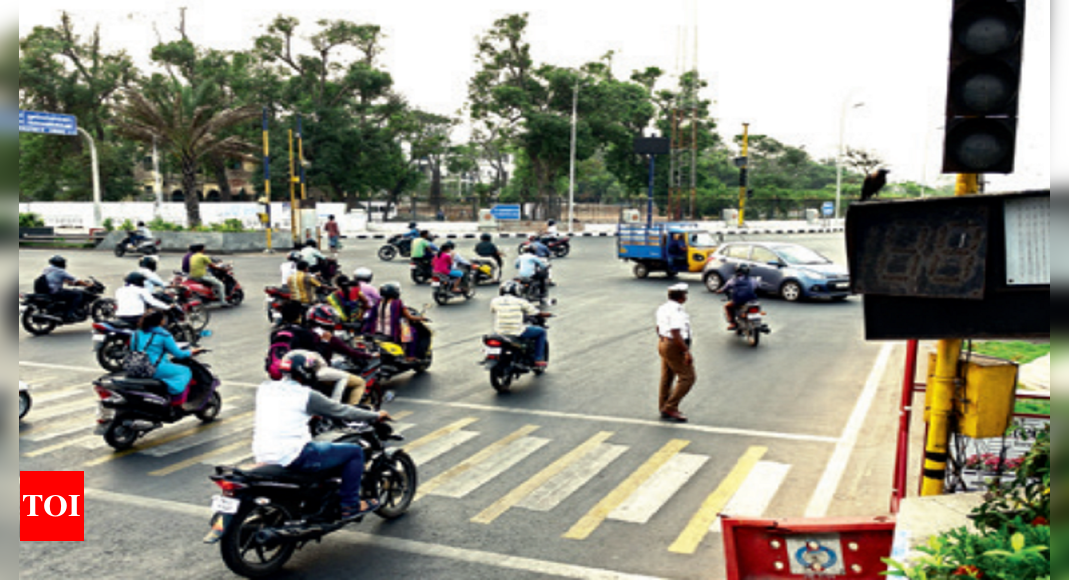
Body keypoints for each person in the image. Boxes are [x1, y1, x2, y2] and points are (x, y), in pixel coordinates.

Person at [252, 353, 390, 521]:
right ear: (307, 373)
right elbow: (343, 411)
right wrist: (375, 416)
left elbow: (282, 410)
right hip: (293, 455)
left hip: (263, 454)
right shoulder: (307, 395)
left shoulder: (264, 388)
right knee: (354, 452)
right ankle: (350, 505)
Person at [131, 310, 203, 404]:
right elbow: (179, 354)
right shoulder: (164, 335)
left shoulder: (136, 334)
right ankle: (175, 399)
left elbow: (133, 349)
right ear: (160, 321)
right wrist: (192, 352)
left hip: (135, 367)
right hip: (154, 368)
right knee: (185, 371)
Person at [656, 283, 694, 423]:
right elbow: (676, 332)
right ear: (681, 297)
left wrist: (663, 340)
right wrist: (685, 351)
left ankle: (663, 406)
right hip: (674, 344)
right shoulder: (676, 311)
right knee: (688, 377)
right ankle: (671, 407)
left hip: (663, 342)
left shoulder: (663, 308)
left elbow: (658, 327)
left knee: (667, 377)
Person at [491, 281, 551, 368]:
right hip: (517, 331)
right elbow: (535, 312)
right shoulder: (521, 301)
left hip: (499, 332)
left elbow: (493, 311)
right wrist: (546, 314)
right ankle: (538, 359)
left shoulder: (495, 301)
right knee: (541, 332)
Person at [370, 282, 428, 360]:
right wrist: (421, 318)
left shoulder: (378, 302)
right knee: (412, 332)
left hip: (377, 330)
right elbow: (409, 317)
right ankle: (410, 356)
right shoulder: (397, 303)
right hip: (391, 331)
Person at [37, 255, 92, 321]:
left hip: (46, 290)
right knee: (78, 294)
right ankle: (70, 313)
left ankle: (64, 310)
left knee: (70, 293)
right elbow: (75, 279)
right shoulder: (60, 271)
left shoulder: (47, 269)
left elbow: (56, 278)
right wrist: (88, 284)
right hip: (55, 291)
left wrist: (71, 283)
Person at [718, 265, 760, 331]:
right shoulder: (753, 280)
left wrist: (719, 291)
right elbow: (758, 286)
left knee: (727, 306)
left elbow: (725, 288)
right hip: (752, 300)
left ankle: (733, 323)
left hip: (738, 301)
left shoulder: (733, 280)